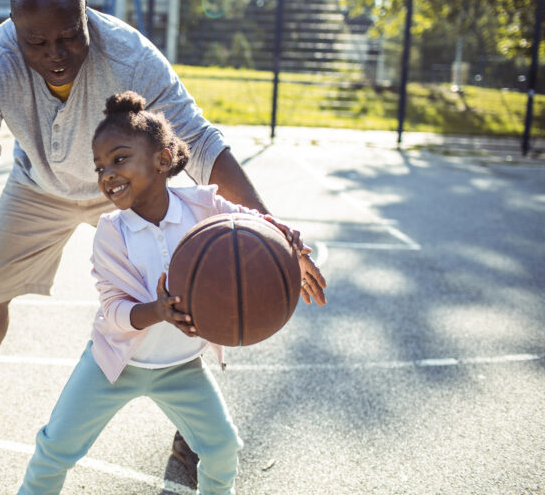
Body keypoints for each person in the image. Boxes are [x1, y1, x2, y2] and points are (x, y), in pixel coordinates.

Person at [0, 0, 327, 479]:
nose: (55, 54)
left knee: (212, 278)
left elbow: (196, 139)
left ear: (87, 17)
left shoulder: (128, 52)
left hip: (128, 185)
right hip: (39, 185)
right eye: (37, 43)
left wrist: (271, 228)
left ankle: (192, 426)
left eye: (69, 36)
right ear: (15, 31)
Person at [18, 91, 323, 494]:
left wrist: (286, 242)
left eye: (119, 158)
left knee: (222, 449)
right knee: (56, 446)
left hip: (181, 367)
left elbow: (254, 225)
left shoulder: (205, 207)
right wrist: (156, 311)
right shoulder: (112, 232)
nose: (107, 173)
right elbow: (113, 311)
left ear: (163, 160)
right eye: (100, 166)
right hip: (116, 365)